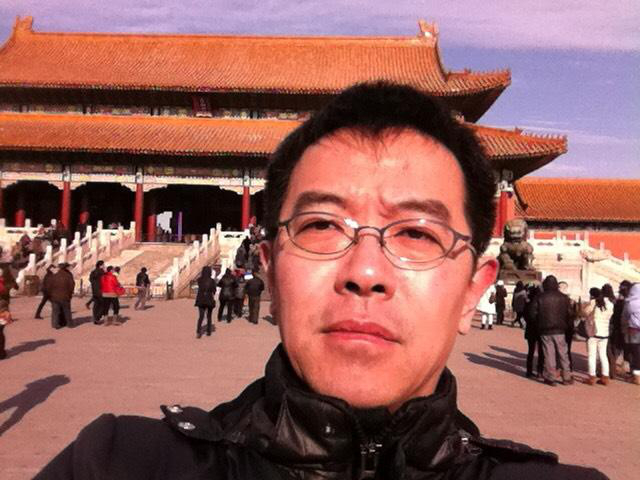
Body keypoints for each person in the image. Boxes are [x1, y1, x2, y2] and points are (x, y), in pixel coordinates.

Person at [35, 83, 607, 479]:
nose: (364, 272)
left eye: (416, 233)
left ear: (472, 291)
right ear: (269, 271)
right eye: (322, 225)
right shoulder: (116, 465)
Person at [530, 275, 574, 386]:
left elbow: (532, 314)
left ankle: (551, 377)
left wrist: (538, 324)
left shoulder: (540, 297)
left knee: (549, 354)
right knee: (563, 354)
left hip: (545, 329)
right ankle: (566, 377)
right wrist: (567, 326)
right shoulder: (564, 298)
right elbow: (570, 314)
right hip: (560, 329)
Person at [582, 287, 613, 386]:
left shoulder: (593, 303)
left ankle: (591, 377)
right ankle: (605, 377)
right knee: (603, 355)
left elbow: (584, 313)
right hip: (604, 333)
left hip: (593, 332)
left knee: (592, 356)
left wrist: (587, 304)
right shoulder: (610, 304)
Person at [607, 280, 631, 380]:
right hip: (626, 330)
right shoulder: (629, 301)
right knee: (626, 351)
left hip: (620, 329)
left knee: (616, 349)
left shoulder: (620, 302)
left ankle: (613, 370)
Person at [44, 263, 75, 329]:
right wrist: (70, 294)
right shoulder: (68, 275)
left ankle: (55, 324)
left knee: (55, 311)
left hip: (54, 297)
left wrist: (50, 295)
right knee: (67, 311)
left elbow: (49, 286)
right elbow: (71, 286)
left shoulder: (54, 275)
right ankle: (69, 324)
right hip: (65, 296)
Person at [524, 284, 544, 378]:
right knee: (541, 352)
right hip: (540, 329)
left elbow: (525, 316)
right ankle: (540, 370)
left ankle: (529, 371)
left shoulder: (528, 304)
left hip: (530, 329)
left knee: (530, 351)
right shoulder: (541, 304)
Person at [622, 283, 640, 385]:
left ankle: (636, 376)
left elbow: (625, 315)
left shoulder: (631, 303)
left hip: (634, 330)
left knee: (635, 353)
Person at [557, 280, 576, 372]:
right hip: (568, 327)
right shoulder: (571, 301)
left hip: (562, 327)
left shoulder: (559, 301)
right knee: (567, 349)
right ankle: (567, 367)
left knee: (560, 348)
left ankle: (561, 367)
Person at [194, 266, 216, 338]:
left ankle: (198, 331)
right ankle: (208, 331)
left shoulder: (199, 280)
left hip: (201, 299)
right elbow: (214, 290)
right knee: (209, 316)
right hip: (209, 299)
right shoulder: (212, 281)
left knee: (201, 316)